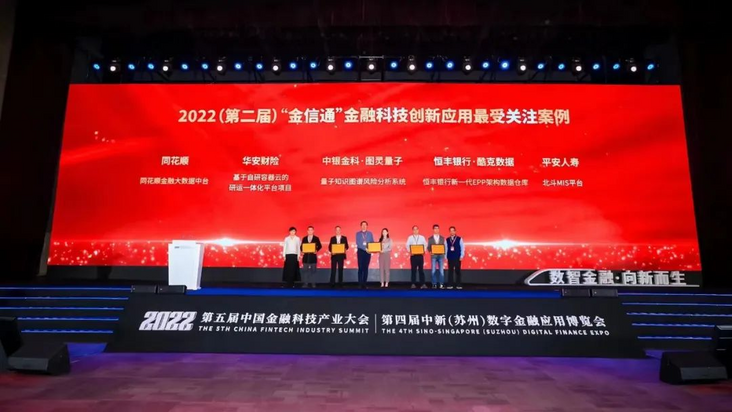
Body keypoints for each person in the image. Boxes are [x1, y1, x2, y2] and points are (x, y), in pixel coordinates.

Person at [355, 221, 374, 289]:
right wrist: (365, 248)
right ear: (361, 226)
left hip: (368, 252)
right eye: (362, 225)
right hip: (360, 252)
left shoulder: (370, 233)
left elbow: (372, 242)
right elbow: (358, 243)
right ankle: (360, 284)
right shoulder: (358, 234)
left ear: (367, 226)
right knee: (360, 268)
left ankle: (364, 284)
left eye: (365, 225)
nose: (364, 226)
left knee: (366, 268)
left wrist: (371, 249)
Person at [428, 224, 447, 289]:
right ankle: (434, 284)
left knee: (441, 270)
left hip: (441, 256)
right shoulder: (430, 238)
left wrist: (444, 253)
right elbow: (428, 247)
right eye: (435, 228)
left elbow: (444, 247)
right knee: (433, 270)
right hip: (433, 256)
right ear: (433, 230)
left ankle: (441, 284)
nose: (436, 230)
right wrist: (430, 251)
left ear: (439, 229)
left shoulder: (442, 238)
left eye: (437, 228)